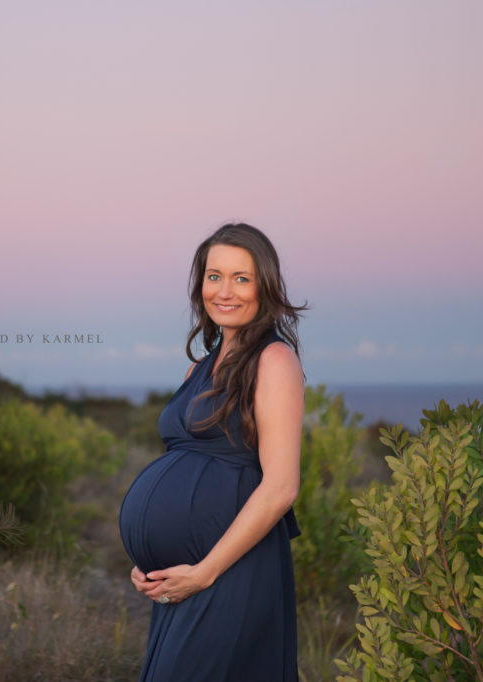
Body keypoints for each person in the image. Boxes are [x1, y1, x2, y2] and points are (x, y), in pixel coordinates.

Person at [118, 222, 308, 681]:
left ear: (265, 286)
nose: (225, 291)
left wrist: (204, 572)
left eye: (242, 278)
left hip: (229, 573)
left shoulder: (274, 361)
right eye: (214, 275)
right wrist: (147, 563)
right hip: (182, 580)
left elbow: (281, 487)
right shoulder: (195, 371)